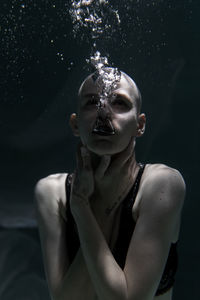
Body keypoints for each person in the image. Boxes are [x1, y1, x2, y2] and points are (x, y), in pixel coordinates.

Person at [34, 69, 185, 300]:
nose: (103, 113)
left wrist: (87, 207)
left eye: (120, 103)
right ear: (75, 124)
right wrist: (87, 205)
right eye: (92, 102)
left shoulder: (162, 184)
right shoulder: (51, 191)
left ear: (140, 124)